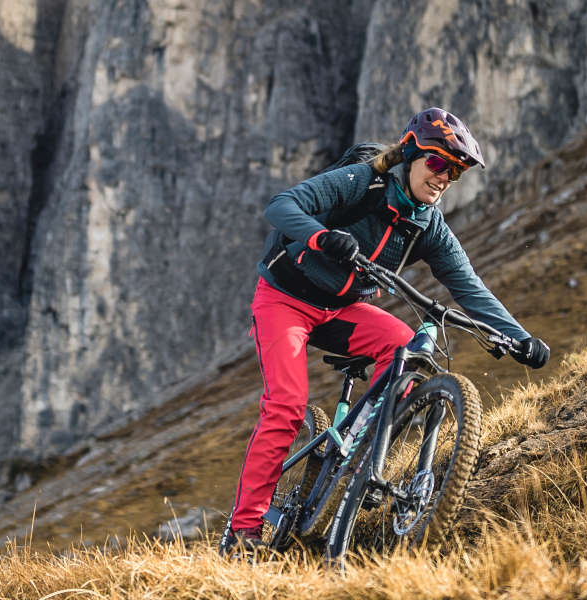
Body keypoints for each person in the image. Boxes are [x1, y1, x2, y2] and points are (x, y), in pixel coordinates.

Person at [221, 107, 550, 551]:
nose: (443, 178)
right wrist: (321, 237)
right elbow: (281, 206)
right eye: (436, 163)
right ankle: (245, 530)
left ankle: (355, 463)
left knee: (405, 346)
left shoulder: (428, 224)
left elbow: (468, 287)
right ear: (412, 156)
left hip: (342, 309)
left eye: (453, 172)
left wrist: (519, 338)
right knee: (285, 406)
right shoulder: (364, 182)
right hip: (285, 301)